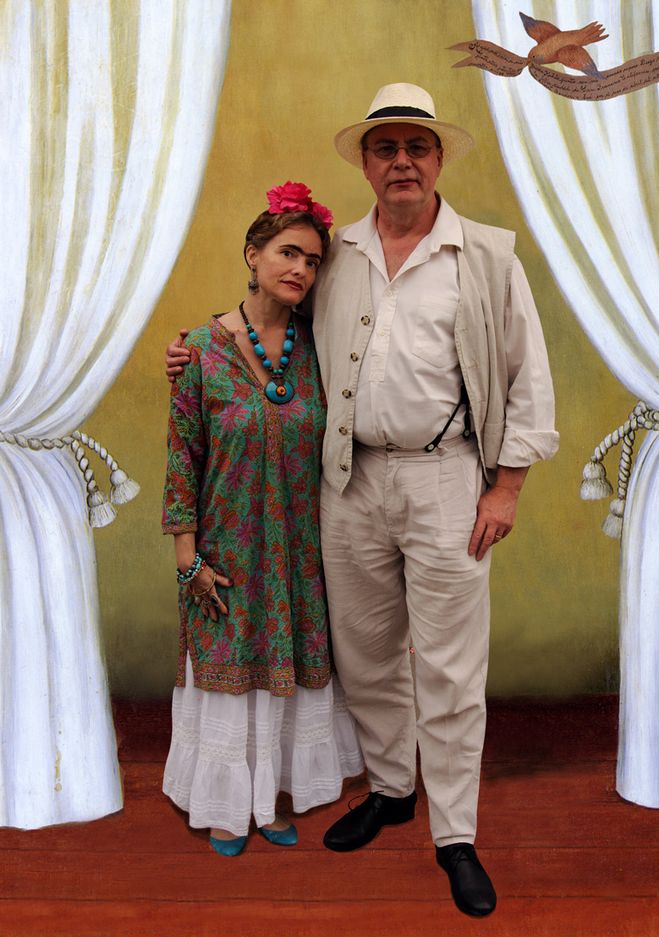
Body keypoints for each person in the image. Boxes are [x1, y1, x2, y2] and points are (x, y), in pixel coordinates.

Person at [167, 84, 558, 916]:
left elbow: (529, 377)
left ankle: (455, 835)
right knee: (368, 653)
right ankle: (390, 789)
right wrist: (198, 347)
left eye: (417, 146)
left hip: (448, 478)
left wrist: (508, 485)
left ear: (438, 159)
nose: (403, 161)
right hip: (346, 481)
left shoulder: (486, 256)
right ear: (368, 164)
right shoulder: (337, 252)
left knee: (451, 669)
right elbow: (276, 312)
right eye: (387, 149)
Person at [161, 182, 363, 857]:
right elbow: (182, 458)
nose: (300, 269)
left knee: (285, 671)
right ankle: (224, 806)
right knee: (229, 675)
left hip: (300, 551)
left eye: (312, 259)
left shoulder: (319, 348)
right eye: (287, 252)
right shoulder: (198, 350)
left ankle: (271, 796)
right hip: (226, 547)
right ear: (253, 254)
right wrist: (188, 558)